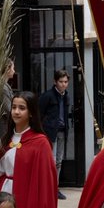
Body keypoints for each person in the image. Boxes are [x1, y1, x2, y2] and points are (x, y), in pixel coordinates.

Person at [39, 69, 72, 200]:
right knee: (51, 161)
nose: (64, 84)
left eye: (66, 82)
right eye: (61, 81)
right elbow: (39, 113)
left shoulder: (66, 96)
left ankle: (55, 188)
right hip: (50, 132)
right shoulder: (48, 96)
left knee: (58, 161)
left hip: (62, 131)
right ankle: (48, 188)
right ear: (55, 82)